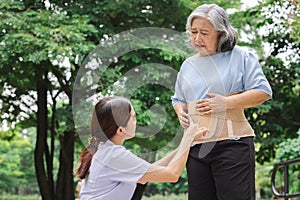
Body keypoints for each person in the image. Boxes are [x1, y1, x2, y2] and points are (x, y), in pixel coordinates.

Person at [172, 4, 272, 200]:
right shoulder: (188, 65)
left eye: (204, 33)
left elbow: (263, 91)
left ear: (221, 33)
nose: (197, 38)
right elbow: (178, 99)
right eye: (193, 32)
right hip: (197, 148)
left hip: (232, 145)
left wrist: (224, 103)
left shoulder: (241, 56)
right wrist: (180, 111)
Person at [76, 96, 208, 200]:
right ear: (120, 130)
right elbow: (172, 174)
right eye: (133, 118)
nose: (136, 121)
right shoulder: (113, 155)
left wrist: (187, 145)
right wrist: (187, 137)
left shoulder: (105, 150)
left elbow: (149, 173)